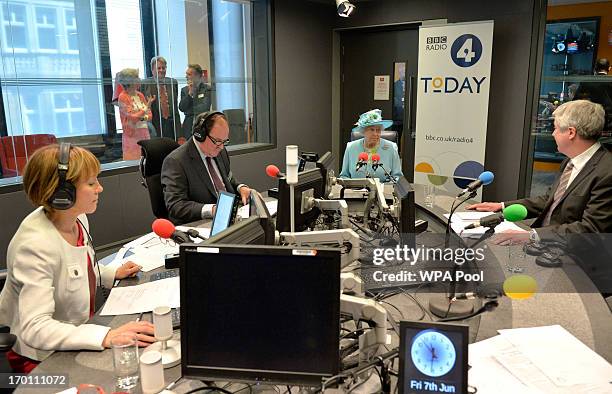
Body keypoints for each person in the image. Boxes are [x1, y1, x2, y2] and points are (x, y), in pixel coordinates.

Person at [0, 144, 155, 373]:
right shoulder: (34, 246)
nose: (100, 188)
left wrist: (110, 273)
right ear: (62, 192)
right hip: (41, 357)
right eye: (91, 183)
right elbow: (35, 328)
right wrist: (107, 335)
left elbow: (74, 268)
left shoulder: (76, 218)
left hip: (78, 333)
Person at [467, 100, 612, 246]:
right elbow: (550, 200)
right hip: (548, 245)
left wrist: (532, 236)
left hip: (575, 259)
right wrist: (502, 206)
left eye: (555, 128)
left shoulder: (607, 172)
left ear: (571, 132)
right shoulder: (570, 161)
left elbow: (592, 230)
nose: (553, 133)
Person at [161, 111, 251, 225]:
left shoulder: (220, 152)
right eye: (217, 141)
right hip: (200, 225)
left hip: (229, 218)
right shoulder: (176, 162)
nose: (222, 147)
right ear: (200, 135)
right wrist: (212, 210)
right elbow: (176, 206)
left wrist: (240, 188)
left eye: (225, 141)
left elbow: (228, 179)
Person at [339, 109, 403, 182]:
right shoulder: (351, 147)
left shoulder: (391, 147)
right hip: (355, 190)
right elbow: (344, 176)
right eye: (372, 130)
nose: (375, 134)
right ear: (363, 131)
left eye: (378, 130)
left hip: (382, 191)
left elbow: (397, 177)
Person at [117, 68, 154, 160]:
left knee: (147, 160)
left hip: (144, 132)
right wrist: (146, 107)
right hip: (132, 136)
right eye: (136, 77)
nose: (139, 79)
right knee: (134, 162)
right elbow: (133, 117)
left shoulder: (140, 95)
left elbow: (150, 116)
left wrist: (141, 116)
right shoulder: (122, 97)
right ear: (129, 81)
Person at [142, 56, 181, 140]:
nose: (161, 70)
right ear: (152, 70)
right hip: (154, 125)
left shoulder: (172, 82)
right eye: (158, 68)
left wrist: (179, 132)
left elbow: (175, 107)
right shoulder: (145, 84)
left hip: (171, 125)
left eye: (163, 68)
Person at [573, 58, 612, 130]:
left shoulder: (587, 81)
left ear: (595, 68)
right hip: (609, 120)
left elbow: (575, 101)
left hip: (590, 119)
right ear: (609, 68)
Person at [179, 64, 212, 141]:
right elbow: (182, 108)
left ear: (198, 76)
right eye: (186, 74)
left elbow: (204, 107)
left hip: (202, 122)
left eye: (189, 74)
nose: (186, 76)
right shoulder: (185, 90)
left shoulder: (207, 89)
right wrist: (190, 94)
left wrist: (190, 109)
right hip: (188, 125)